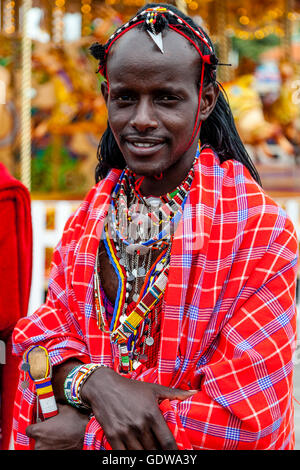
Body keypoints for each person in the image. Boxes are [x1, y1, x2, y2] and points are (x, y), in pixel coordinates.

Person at [12, 4, 298, 450]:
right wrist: (95, 383)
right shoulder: (88, 221)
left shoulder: (259, 232)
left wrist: (86, 435)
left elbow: (245, 422)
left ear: (203, 101)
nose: (142, 118)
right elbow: (42, 338)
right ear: (107, 95)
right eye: (125, 97)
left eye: (166, 98)